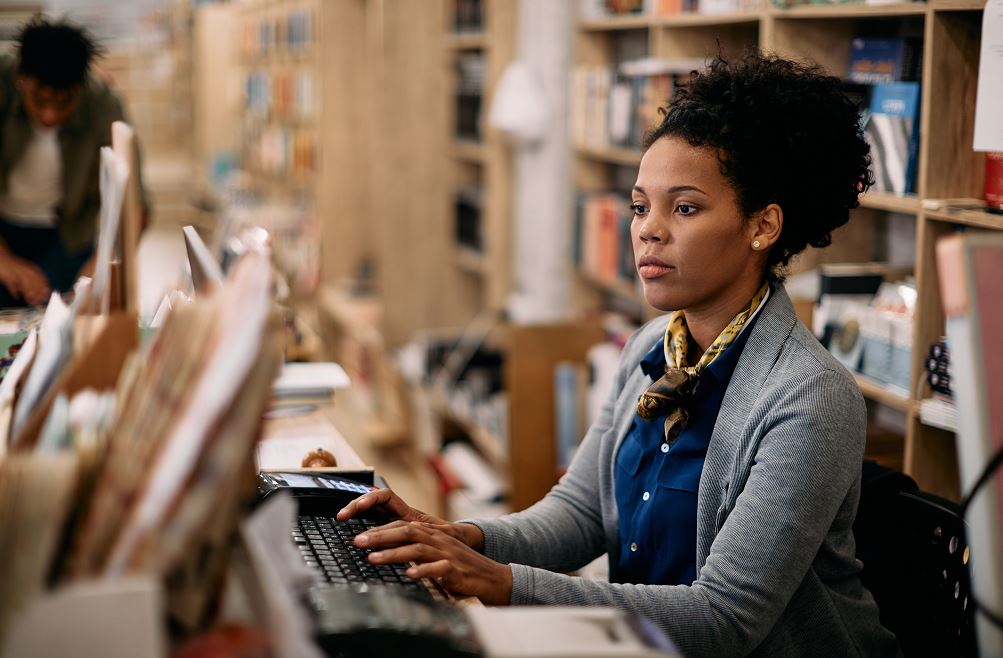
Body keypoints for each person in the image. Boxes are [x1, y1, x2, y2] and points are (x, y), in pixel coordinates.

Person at [338, 52, 900, 656]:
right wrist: (457, 536)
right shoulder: (649, 348)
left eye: (683, 208)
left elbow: (725, 620)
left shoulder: (809, 397)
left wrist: (496, 580)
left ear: (762, 225)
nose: (646, 230)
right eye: (639, 206)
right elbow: (578, 515)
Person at [0, 16, 148, 307]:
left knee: (65, 322)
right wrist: (4, 261)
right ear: (22, 81)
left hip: (68, 235)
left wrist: (100, 267)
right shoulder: (3, 86)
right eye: (39, 101)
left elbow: (136, 204)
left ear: (80, 88)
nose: (50, 115)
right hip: (4, 228)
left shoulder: (103, 103)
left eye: (63, 102)